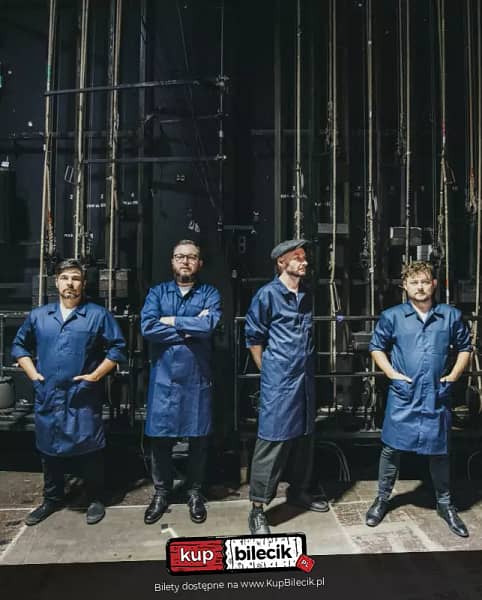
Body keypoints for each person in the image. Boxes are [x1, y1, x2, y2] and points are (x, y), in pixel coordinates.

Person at [11, 259, 126, 526]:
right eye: (64, 278)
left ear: (83, 283)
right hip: (49, 393)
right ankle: (51, 498)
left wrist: (95, 376)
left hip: (81, 395)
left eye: (75, 278)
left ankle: (95, 498)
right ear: (56, 282)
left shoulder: (97, 315)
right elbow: (18, 346)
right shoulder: (40, 316)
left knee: (90, 447)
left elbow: (118, 348)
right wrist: (33, 374)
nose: (70, 283)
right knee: (48, 447)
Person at [366, 261, 472, 537]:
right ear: (405, 286)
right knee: (391, 449)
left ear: (434, 284)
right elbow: (376, 347)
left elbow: (465, 347)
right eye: (414, 282)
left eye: (425, 281)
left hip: (436, 393)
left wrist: (453, 376)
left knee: (440, 450)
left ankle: (445, 504)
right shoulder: (392, 316)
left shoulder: (450, 316)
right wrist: (392, 374)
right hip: (405, 395)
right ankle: (382, 499)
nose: (420, 287)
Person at [244, 239, 329, 535]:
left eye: (304, 256)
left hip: (304, 379)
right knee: (273, 439)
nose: (303, 261)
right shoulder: (267, 295)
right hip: (279, 380)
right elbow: (254, 338)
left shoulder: (305, 293)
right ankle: (258, 509)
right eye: (297, 257)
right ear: (281, 262)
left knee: (304, 436)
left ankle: (299, 491)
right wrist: (268, 370)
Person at [140, 240, 221, 525]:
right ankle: (161, 493)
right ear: (172, 261)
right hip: (164, 379)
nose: (185, 261)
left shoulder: (210, 293)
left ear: (200, 263)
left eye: (191, 257)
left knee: (198, 439)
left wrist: (170, 320)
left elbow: (208, 326)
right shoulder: (157, 293)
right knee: (160, 439)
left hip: (197, 377)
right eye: (180, 256)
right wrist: (189, 328)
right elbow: (148, 327)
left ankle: (195, 492)